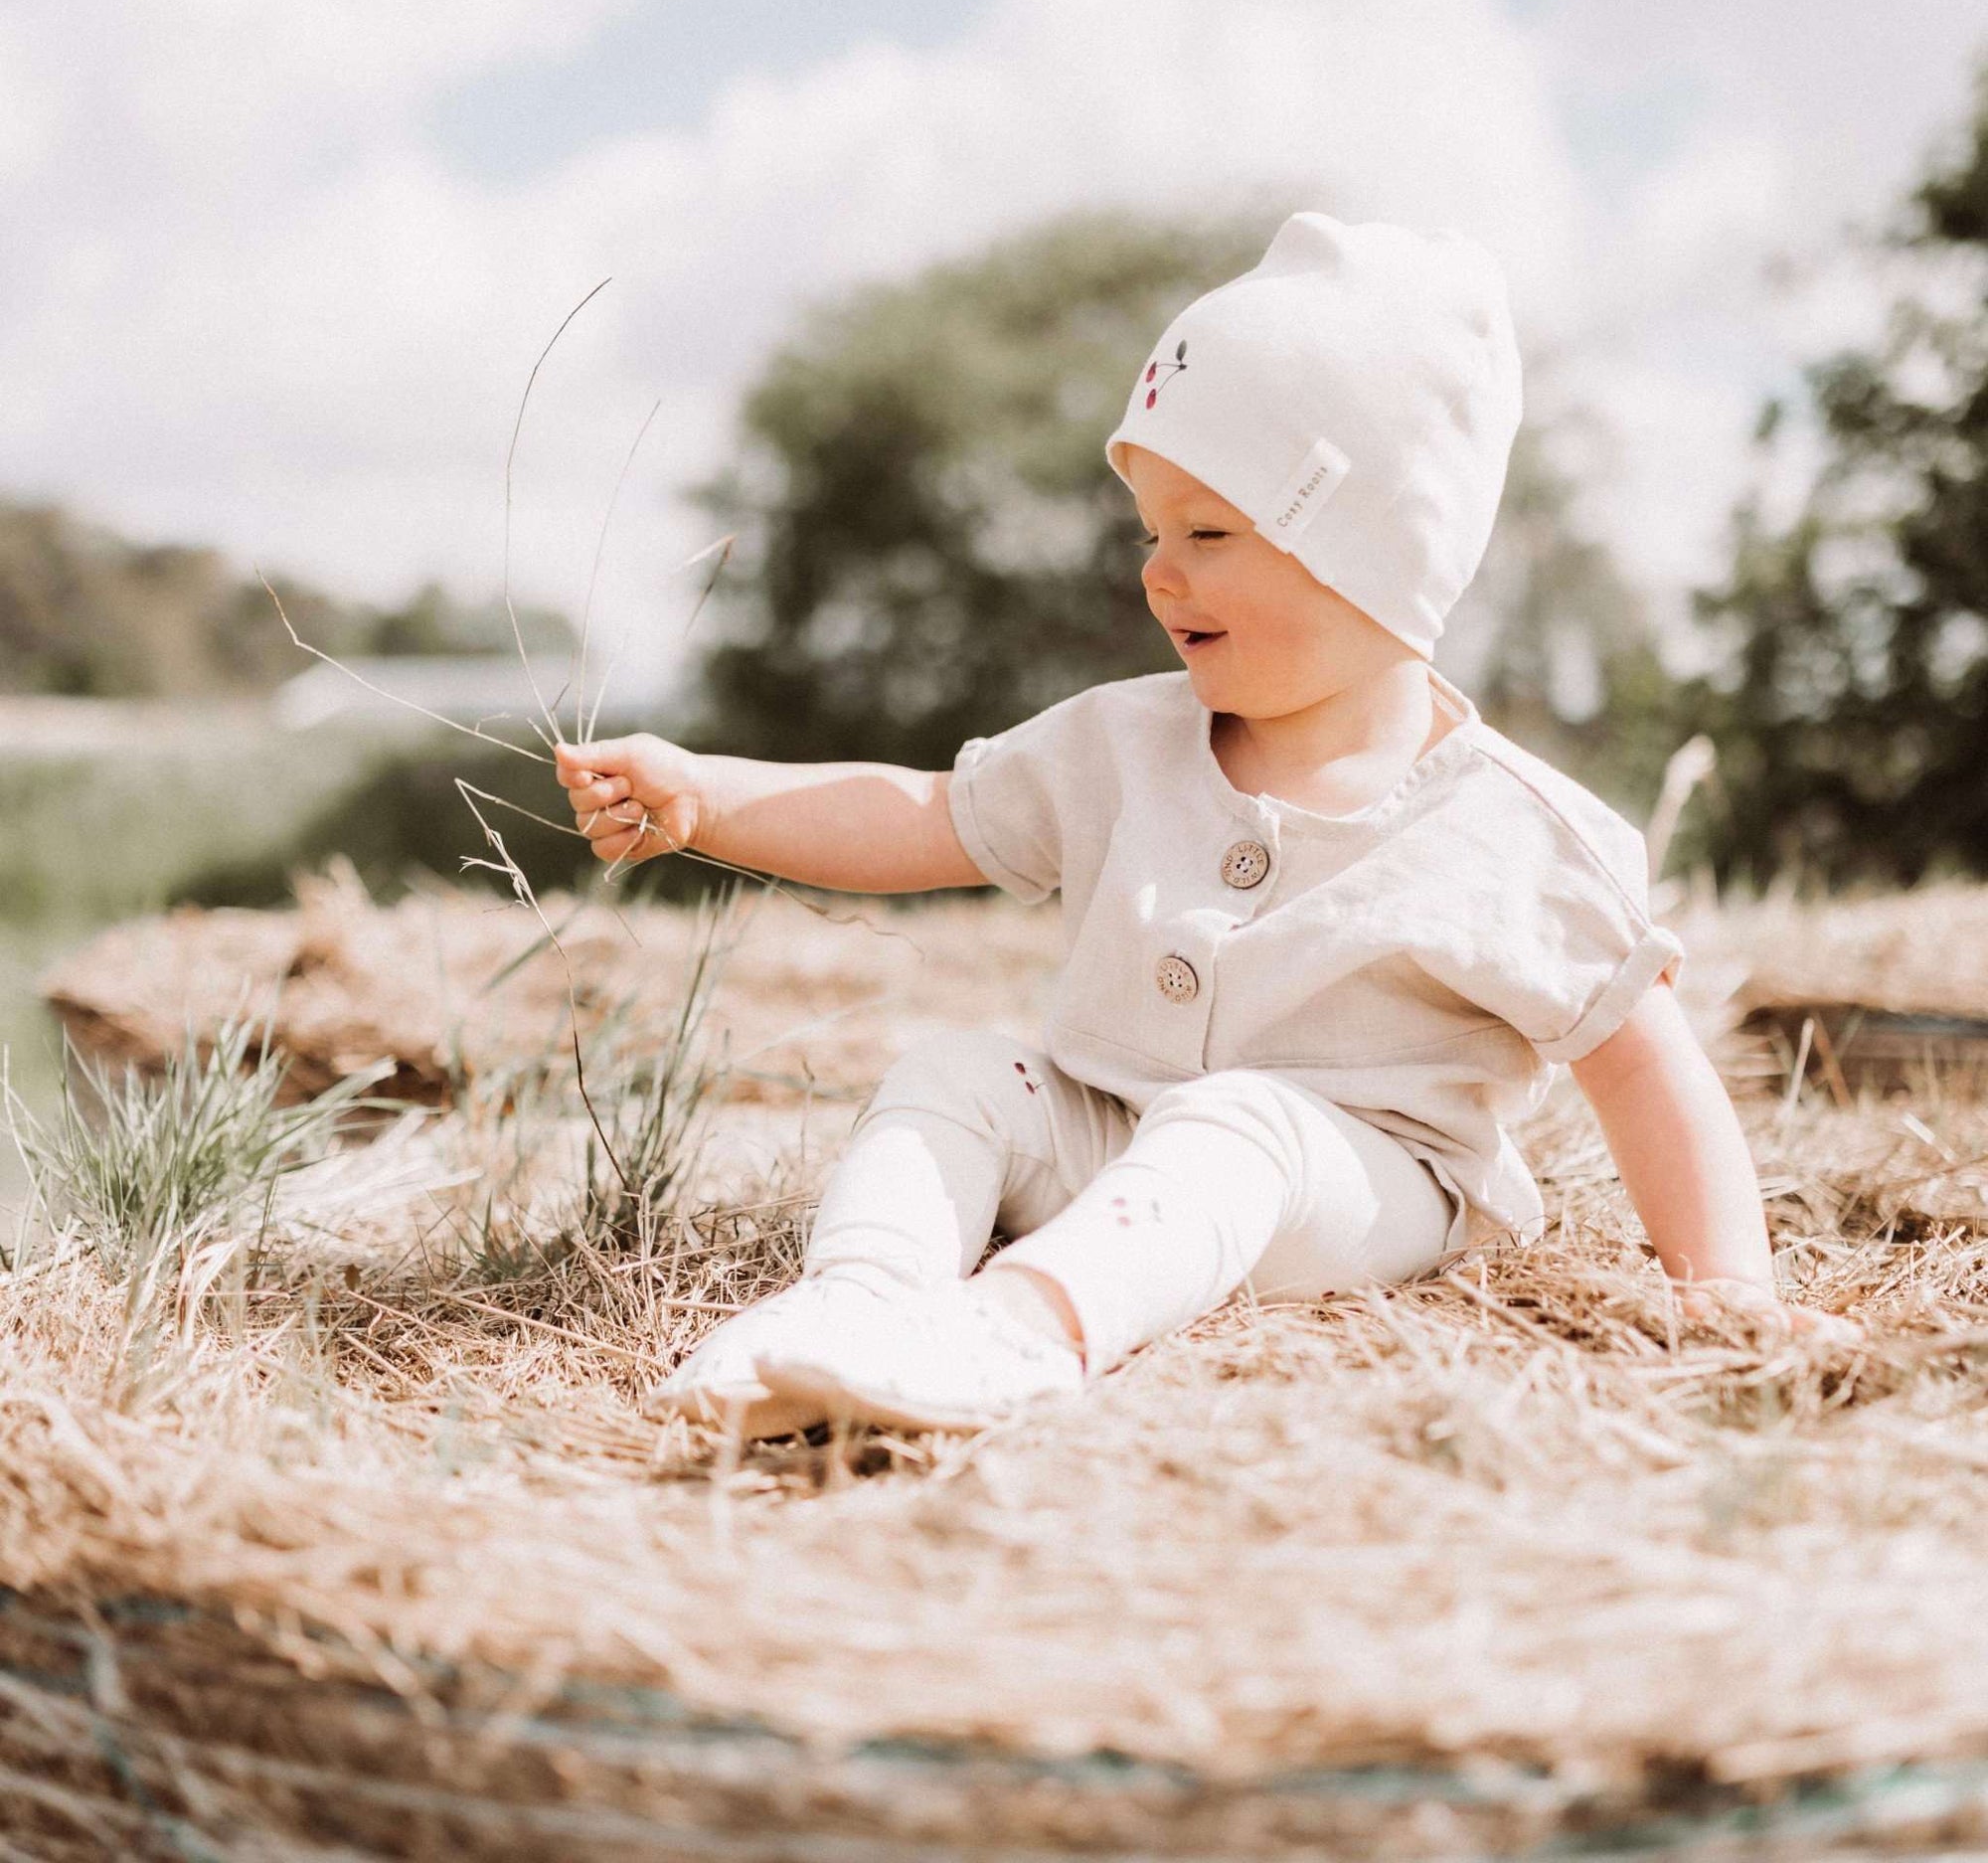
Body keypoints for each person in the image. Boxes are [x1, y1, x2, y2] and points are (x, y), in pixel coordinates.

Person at [554, 211, 1852, 1440]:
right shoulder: (1123, 741)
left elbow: (1646, 1068)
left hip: (1358, 1186)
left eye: (1211, 530)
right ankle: (862, 1304)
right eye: (1152, 529)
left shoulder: (1509, 828)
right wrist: (710, 795)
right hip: (1118, 1131)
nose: (1157, 570)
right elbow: (931, 816)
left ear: (1373, 551)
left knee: (1240, 1127)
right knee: (955, 1072)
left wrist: (1725, 1294)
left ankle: (1013, 1336)